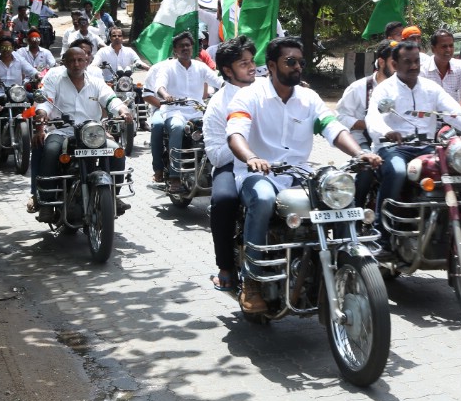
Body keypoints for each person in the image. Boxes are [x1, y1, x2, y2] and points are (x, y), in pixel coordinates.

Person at [226, 37, 381, 313]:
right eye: (291, 61)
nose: (298, 66)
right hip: (257, 174)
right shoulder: (250, 95)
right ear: (271, 66)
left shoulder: (309, 98)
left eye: (301, 62)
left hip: (299, 174)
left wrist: (359, 154)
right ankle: (251, 280)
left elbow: (333, 128)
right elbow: (236, 132)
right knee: (262, 199)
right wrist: (251, 157)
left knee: (341, 199)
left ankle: (348, 265)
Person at [365, 41, 461, 253]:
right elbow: (373, 118)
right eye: (408, 62)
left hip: (426, 147)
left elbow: (455, 113)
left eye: (416, 62)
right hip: (394, 147)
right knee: (396, 171)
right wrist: (386, 132)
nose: (414, 66)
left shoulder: (431, 89)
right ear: (394, 64)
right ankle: (382, 237)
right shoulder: (385, 90)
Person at [30, 46, 133, 216]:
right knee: (50, 150)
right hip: (62, 130)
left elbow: (110, 99)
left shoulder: (96, 82)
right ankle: (47, 202)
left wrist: (123, 110)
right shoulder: (54, 80)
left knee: (117, 151)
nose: (76, 64)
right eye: (72, 60)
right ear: (65, 62)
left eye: (80, 60)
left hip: (91, 132)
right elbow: (45, 102)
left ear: (87, 61)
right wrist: (41, 116)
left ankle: (113, 195)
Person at [203, 35, 257, 292]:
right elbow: (215, 154)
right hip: (231, 166)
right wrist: (245, 149)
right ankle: (225, 267)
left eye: (251, 61)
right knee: (223, 201)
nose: (251, 67)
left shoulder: (267, 90)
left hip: (274, 163)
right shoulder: (217, 103)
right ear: (227, 70)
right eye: (243, 63)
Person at [153, 32, 222, 194]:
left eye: (188, 45)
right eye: (181, 46)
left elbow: (218, 81)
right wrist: (165, 95)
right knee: (177, 127)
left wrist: (231, 85)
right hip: (174, 110)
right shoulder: (167, 67)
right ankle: (174, 176)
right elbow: (159, 86)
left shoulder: (200, 67)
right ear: (175, 50)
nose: (185, 48)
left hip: (197, 111)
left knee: (218, 128)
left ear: (192, 48)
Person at [337, 39, 397, 206]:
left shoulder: (403, 88)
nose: (399, 66)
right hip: (365, 141)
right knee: (367, 168)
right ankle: (356, 212)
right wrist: (365, 124)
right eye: (394, 62)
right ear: (381, 61)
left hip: (393, 143)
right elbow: (340, 117)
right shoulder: (359, 87)